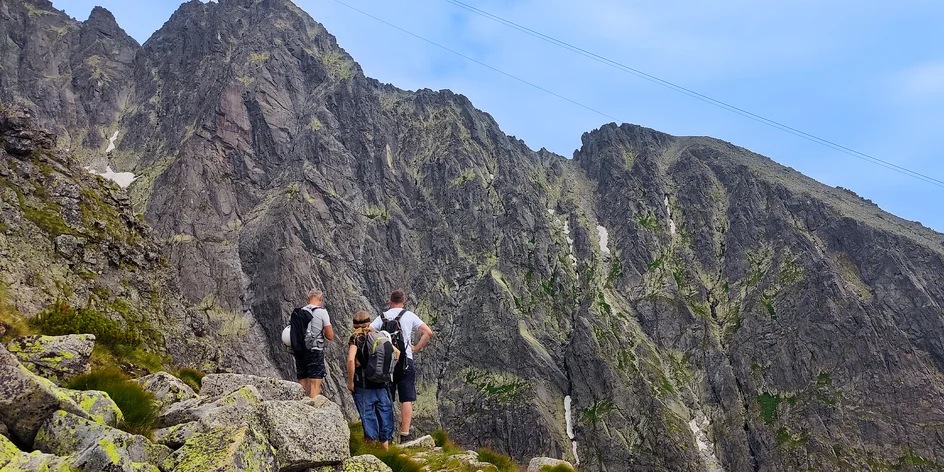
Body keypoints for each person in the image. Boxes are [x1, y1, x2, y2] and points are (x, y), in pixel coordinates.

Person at [371, 289, 433, 442]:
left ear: (390, 301)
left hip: (386, 362)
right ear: (403, 301)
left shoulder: (383, 317)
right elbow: (428, 332)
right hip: (406, 360)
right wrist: (415, 347)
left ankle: (386, 435)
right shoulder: (409, 315)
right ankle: (405, 434)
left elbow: (370, 330)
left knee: (386, 398)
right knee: (406, 398)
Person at [347, 311, 395, 449]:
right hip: (381, 384)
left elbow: (351, 359)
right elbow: (396, 353)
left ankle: (371, 451)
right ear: (369, 323)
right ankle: (386, 452)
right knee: (384, 416)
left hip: (363, 386)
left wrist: (350, 382)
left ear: (353, 325)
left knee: (368, 417)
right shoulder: (379, 336)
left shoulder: (356, 338)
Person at [289, 289, 334, 398]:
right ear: (321, 299)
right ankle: (312, 410)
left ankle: (300, 409)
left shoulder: (298, 312)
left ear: (308, 299)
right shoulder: (322, 312)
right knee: (315, 384)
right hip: (315, 351)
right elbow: (330, 336)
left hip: (300, 351)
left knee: (302, 383)